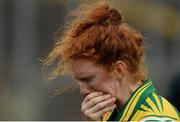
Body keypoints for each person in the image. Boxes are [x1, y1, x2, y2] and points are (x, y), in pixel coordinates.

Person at [43, 2, 180, 121]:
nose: (83, 91)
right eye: (79, 81)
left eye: (88, 79)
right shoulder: (110, 113)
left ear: (119, 70)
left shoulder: (157, 119)